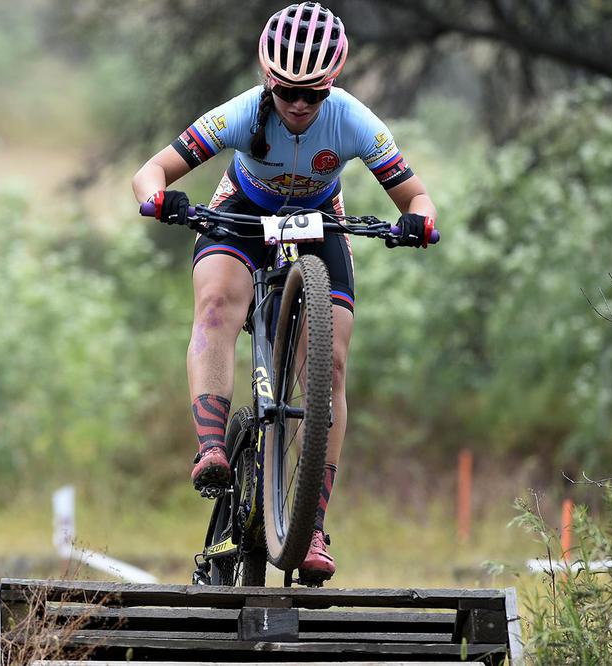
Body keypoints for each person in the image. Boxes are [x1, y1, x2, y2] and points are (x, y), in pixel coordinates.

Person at [131, 2, 436, 583]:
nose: (299, 105)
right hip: (244, 210)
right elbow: (152, 171)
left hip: (322, 220)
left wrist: (416, 222)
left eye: (313, 95)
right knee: (217, 306)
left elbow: (418, 198)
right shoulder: (243, 114)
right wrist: (158, 200)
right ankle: (212, 446)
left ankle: (311, 524)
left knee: (333, 365)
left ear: (332, 87)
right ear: (269, 83)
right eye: (287, 92)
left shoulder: (353, 121)